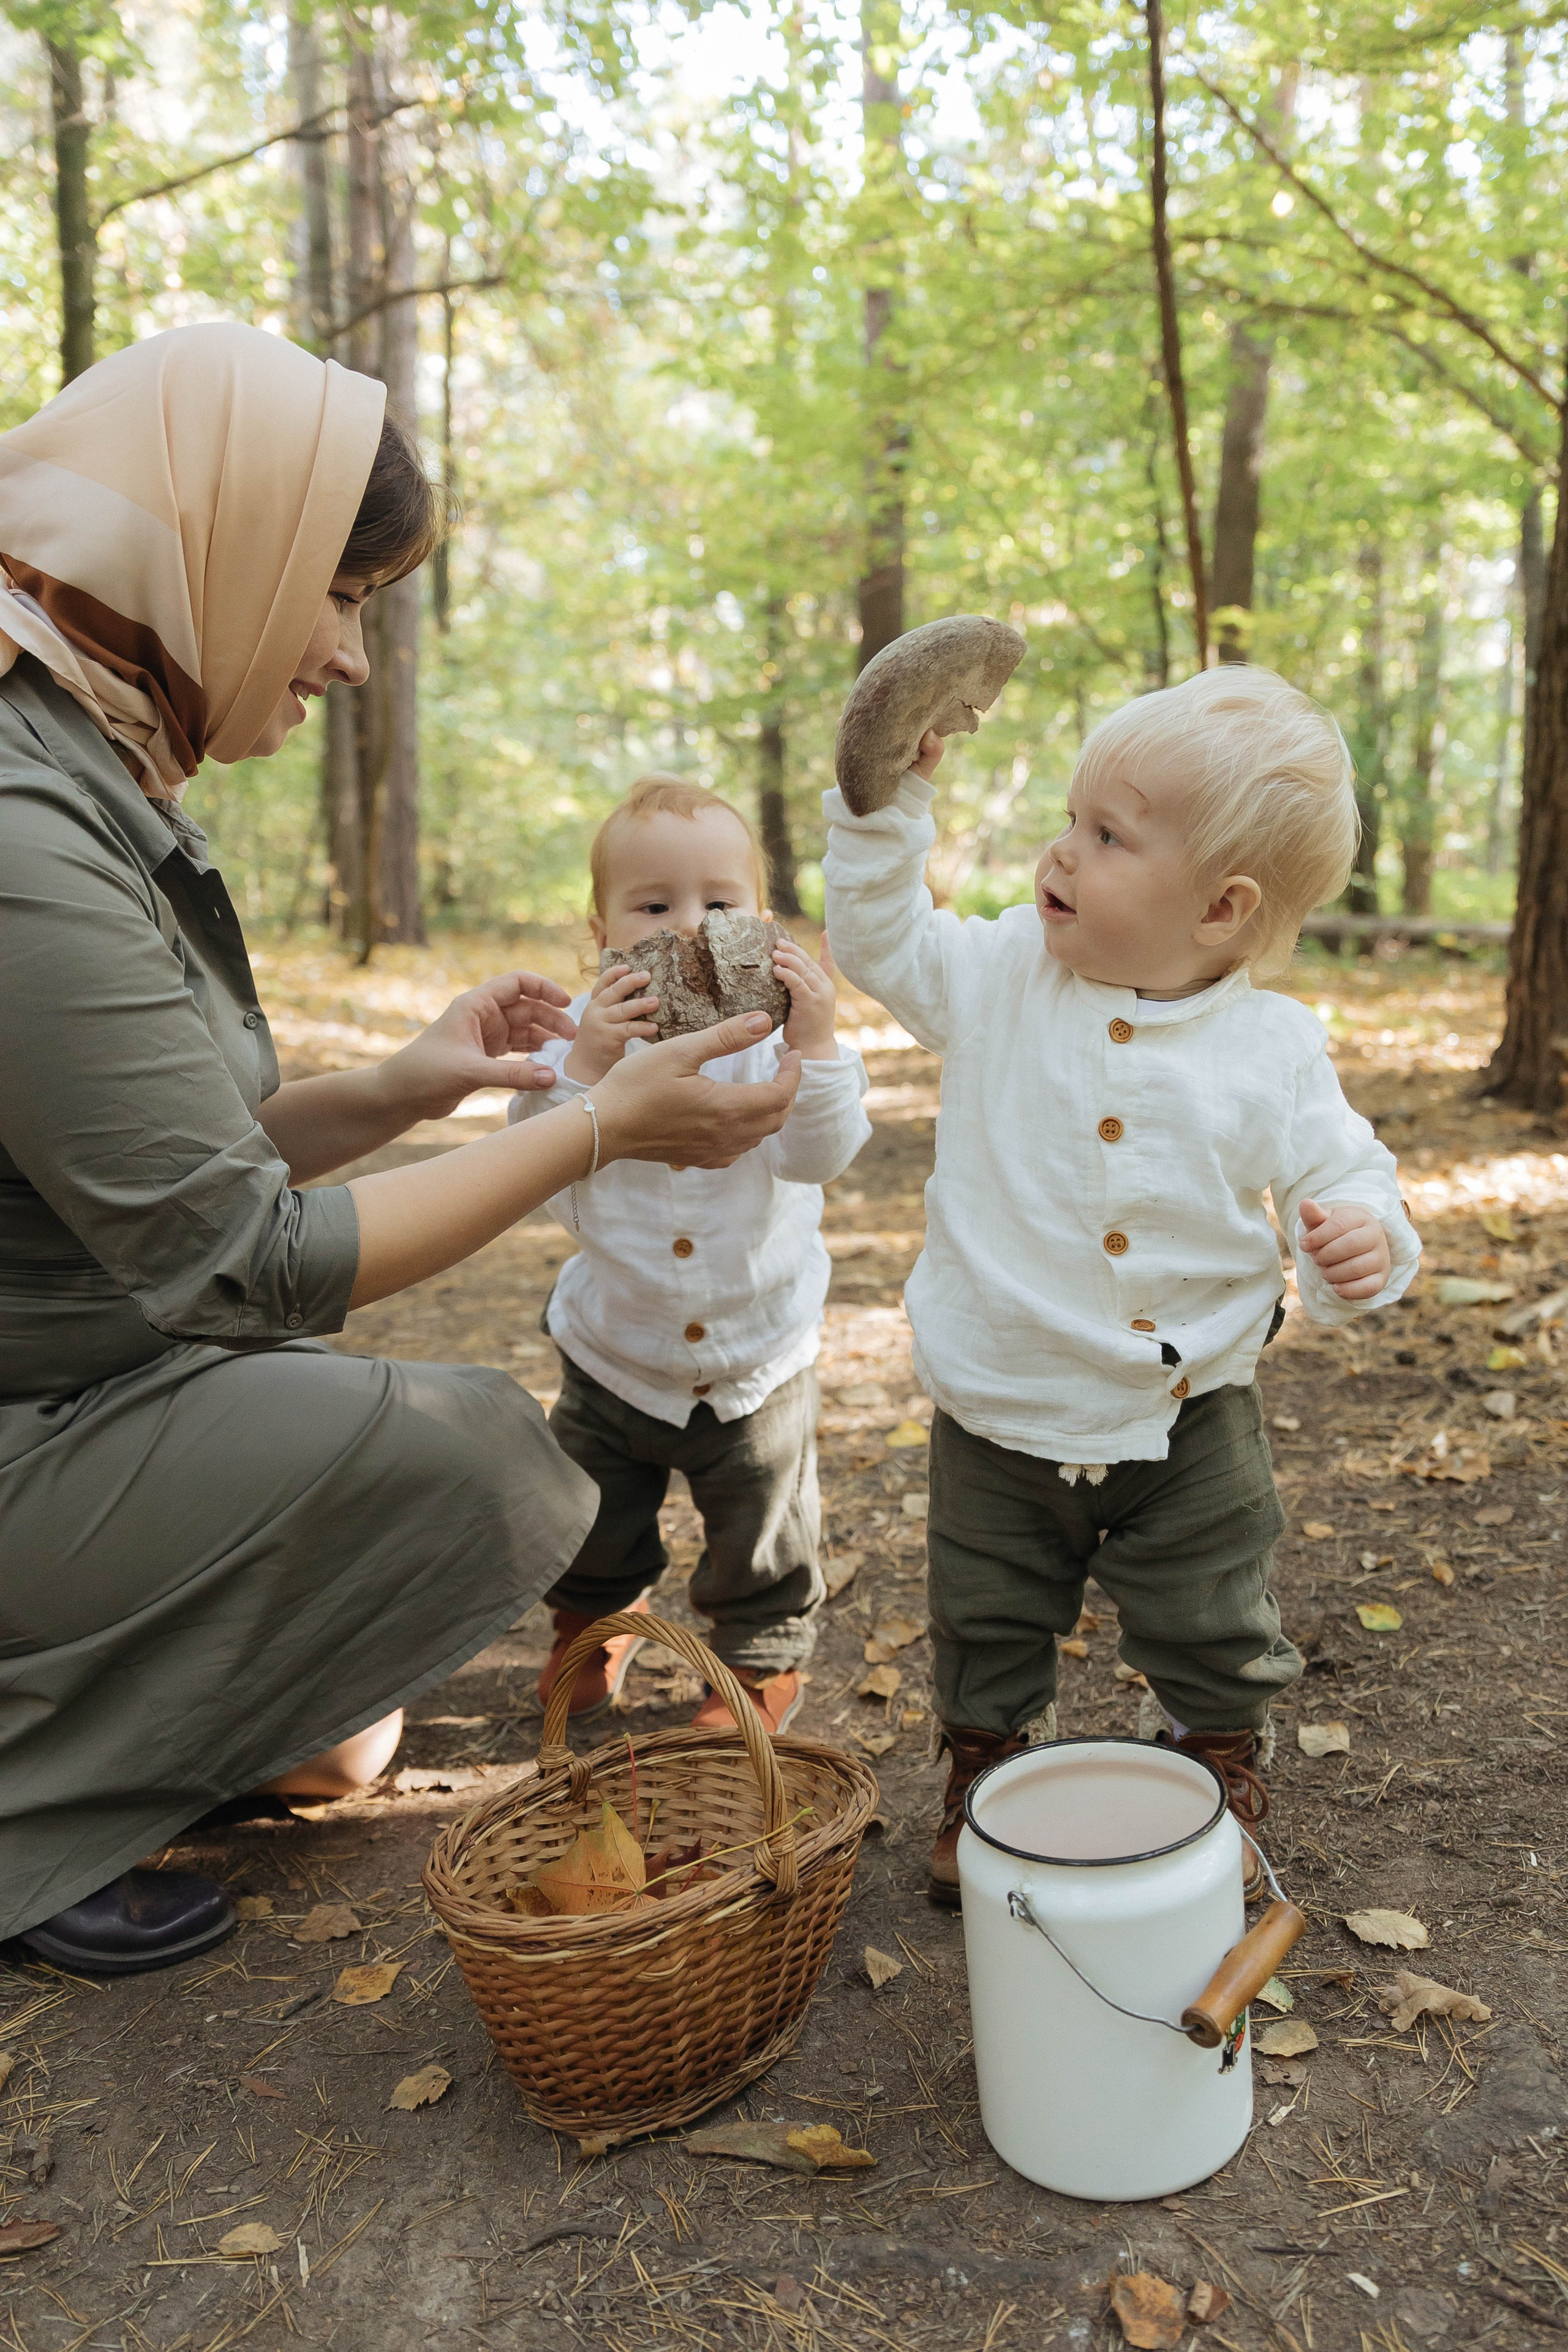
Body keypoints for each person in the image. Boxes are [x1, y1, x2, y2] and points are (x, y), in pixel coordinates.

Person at [0, 324, 799, 1975]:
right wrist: (598, 1124)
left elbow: (161, 1172)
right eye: (342, 593)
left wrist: (409, 1087)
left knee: (344, 1741)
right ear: (224, 546)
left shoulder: (93, 741)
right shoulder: (18, 820)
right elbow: (243, 1257)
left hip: (104, 1370)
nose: (352, 657)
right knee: (491, 1460)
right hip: (39, 1414)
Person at [822, 664, 1421, 1904]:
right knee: (985, 1613)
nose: (1059, 851)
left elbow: (1341, 1167)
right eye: (1069, 819)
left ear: (1218, 908)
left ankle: (1215, 1763)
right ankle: (985, 1775)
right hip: (1001, 1399)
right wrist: (883, 815)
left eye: (1105, 836)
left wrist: (1360, 1235)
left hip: (1189, 1406)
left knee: (1209, 1612)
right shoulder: (996, 975)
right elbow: (878, 941)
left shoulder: (1271, 1047)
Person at [511, 776, 872, 1735]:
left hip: (757, 1355)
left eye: (721, 903)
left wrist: (823, 1038)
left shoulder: (782, 1044)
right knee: (594, 1516)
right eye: (653, 905)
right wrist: (585, 1075)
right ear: (601, 932)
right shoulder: (582, 1052)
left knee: (762, 1533)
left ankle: (756, 1662)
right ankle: (595, 1619)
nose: (690, 928)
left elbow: (822, 1153)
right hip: (613, 1351)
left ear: (763, 919)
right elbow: (543, 1182)